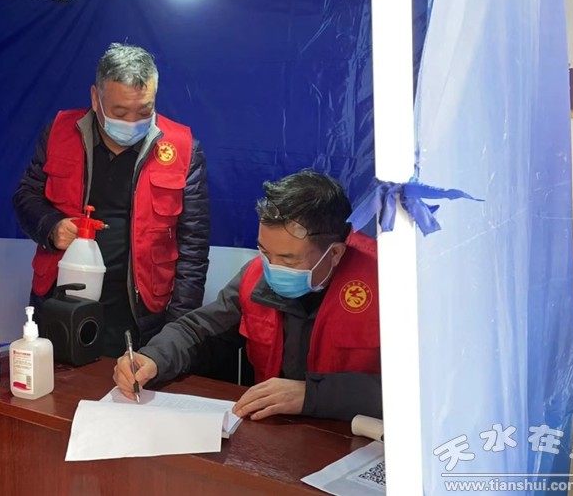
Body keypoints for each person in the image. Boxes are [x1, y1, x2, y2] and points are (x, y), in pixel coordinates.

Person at [113, 171, 382, 421]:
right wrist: (154, 358)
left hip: (351, 433)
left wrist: (313, 394)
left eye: (288, 259)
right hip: (274, 429)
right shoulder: (257, 276)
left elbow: (406, 389)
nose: (272, 267)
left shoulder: (386, 285)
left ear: (334, 253)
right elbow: (199, 330)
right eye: (265, 252)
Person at [13, 43, 210, 357]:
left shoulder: (183, 149)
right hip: (61, 300)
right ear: (96, 98)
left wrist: (177, 331)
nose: (132, 121)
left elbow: (194, 246)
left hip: (141, 311)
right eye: (119, 112)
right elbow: (26, 196)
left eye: (144, 111)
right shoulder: (59, 133)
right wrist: (50, 227)